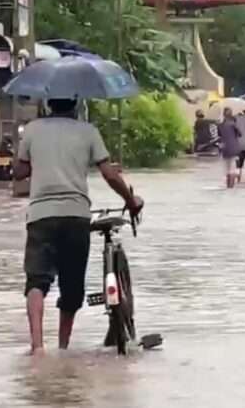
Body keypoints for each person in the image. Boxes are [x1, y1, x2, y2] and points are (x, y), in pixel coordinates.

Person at [12, 98, 143, 356]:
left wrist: (30, 161)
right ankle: (63, 348)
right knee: (72, 287)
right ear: (75, 104)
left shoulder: (32, 130)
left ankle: (37, 348)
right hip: (76, 216)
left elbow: (18, 172)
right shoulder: (88, 132)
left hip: (40, 216)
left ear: (49, 103)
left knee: (36, 281)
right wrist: (130, 200)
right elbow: (109, 174)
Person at [218, 107, 242, 188]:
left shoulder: (221, 125)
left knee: (227, 167)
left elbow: (219, 135)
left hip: (225, 148)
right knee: (232, 166)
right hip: (234, 147)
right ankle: (231, 185)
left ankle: (228, 185)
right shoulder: (233, 124)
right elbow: (240, 134)